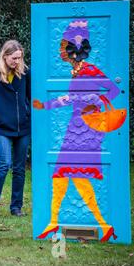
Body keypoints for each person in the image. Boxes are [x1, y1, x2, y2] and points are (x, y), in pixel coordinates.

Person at [33, 19, 120, 242]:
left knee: (68, 174)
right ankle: (98, 225)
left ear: (73, 49)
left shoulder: (90, 70)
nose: (60, 50)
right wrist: (46, 105)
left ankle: (64, 223)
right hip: (75, 128)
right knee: (68, 175)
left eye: (63, 46)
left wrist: (95, 103)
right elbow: (71, 98)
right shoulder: (76, 71)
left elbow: (113, 89)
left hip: (87, 131)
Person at [0, 40, 31, 218]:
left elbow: (31, 98)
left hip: (23, 128)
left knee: (19, 168)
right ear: (5, 56)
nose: (17, 61)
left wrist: (27, 113)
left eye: (19, 58)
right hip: (1, 127)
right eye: (14, 58)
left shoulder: (25, 73)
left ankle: (16, 207)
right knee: (4, 164)